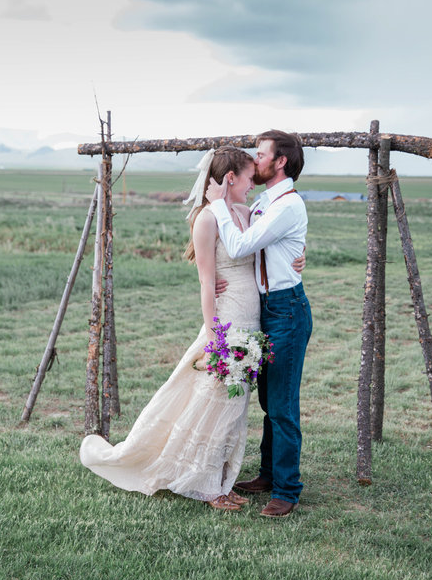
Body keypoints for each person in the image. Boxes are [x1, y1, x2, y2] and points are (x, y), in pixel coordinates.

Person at [80, 145, 305, 512]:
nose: (252, 184)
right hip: (228, 319)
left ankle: (221, 477)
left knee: (234, 408)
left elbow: (272, 243)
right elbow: (205, 282)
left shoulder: (247, 213)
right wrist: (214, 333)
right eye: (248, 178)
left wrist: (300, 251)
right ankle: (206, 485)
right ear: (230, 177)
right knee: (214, 401)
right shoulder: (206, 218)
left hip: (254, 320)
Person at [206, 130, 312, 518]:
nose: (257, 159)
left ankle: (287, 489)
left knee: (282, 405)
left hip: (286, 310)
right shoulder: (269, 201)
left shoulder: (287, 205)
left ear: (280, 161)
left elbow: (239, 245)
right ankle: (268, 474)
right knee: (269, 401)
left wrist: (216, 205)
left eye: (262, 153)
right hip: (267, 307)